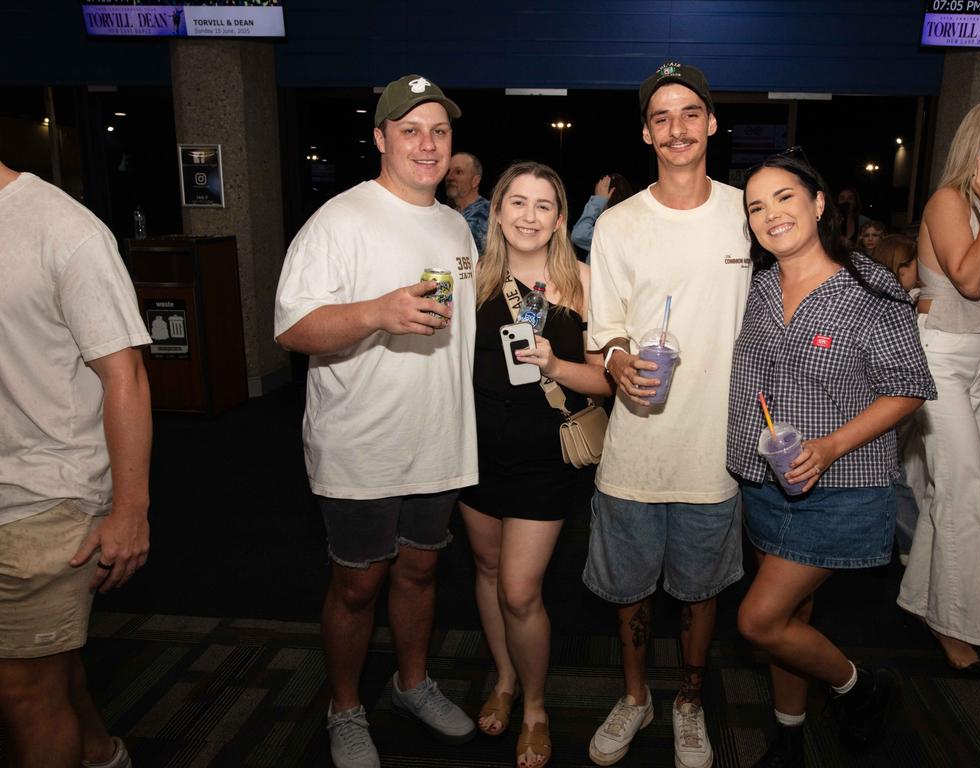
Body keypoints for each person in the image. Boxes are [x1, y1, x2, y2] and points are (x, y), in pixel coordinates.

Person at [274, 74, 478, 768]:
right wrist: (374, 313)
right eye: (411, 129)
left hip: (440, 439)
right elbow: (293, 329)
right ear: (381, 138)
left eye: (440, 131)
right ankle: (344, 706)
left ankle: (412, 684)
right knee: (358, 583)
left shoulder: (456, 226)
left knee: (421, 573)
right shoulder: (340, 220)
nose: (427, 144)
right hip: (361, 443)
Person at [727, 151, 936, 767]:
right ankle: (790, 733)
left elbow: (909, 385)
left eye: (785, 198)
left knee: (759, 621)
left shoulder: (870, 289)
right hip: (763, 480)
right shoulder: (760, 287)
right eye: (756, 207)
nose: (771, 215)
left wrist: (830, 445)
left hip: (837, 487)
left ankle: (856, 684)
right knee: (795, 612)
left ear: (818, 204)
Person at [584, 61, 751, 768]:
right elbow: (608, 329)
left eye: (690, 113)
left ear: (711, 123)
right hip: (635, 448)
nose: (677, 128)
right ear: (647, 133)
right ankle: (634, 697)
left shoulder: (750, 212)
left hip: (714, 448)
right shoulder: (620, 224)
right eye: (662, 117)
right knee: (629, 592)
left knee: (700, 590)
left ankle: (687, 700)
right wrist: (618, 360)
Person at [0, 161, 153, 768]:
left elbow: (126, 376)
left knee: (20, 689)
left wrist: (130, 510)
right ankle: (99, 752)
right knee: (43, 662)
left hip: (44, 496)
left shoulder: (64, 229)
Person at [459, 161, 612, 768]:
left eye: (543, 205)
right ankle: (503, 677)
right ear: (496, 212)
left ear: (559, 217)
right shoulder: (471, 280)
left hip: (545, 459)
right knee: (489, 570)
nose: (528, 216)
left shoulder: (582, 282)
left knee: (521, 591)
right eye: (516, 203)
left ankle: (537, 707)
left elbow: (605, 381)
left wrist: (552, 363)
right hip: (475, 454)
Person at [897, 97, 980, 674]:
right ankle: (955, 624)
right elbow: (972, 281)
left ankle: (922, 602)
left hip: (979, 362)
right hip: (938, 357)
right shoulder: (949, 201)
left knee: (950, 489)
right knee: (969, 490)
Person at [870, 234, 923, 564]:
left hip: (885, 401)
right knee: (894, 476)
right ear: (902, 268)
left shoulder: (876, 299)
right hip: (892, 402)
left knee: (895, 474)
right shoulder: (903, 305)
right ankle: (914, 549)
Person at [570, 173, 634, 257]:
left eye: (598, 194)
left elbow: (579, 234)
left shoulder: (613, 232)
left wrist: (598, 201)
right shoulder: (631, 226)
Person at [446, 151, 489, 254]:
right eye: (448, 172)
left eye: (458, 172)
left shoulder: (488, 213)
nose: (449, 177)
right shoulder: (445, 211)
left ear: (475, 181)